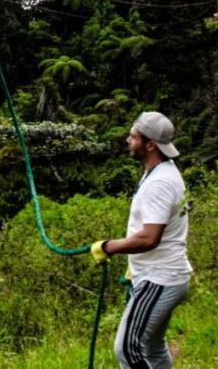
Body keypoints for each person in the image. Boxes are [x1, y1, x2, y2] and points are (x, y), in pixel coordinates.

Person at [90, 111, 192, 369]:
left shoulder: (160, 182)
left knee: (127, 348)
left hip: (160, 278)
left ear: (150, 145)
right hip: (160, 274)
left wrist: (108, 247)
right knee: (152, 348)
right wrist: (134, 265)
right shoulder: (161, 171)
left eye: (133, 137)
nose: (127, 140)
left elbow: (149, 238)